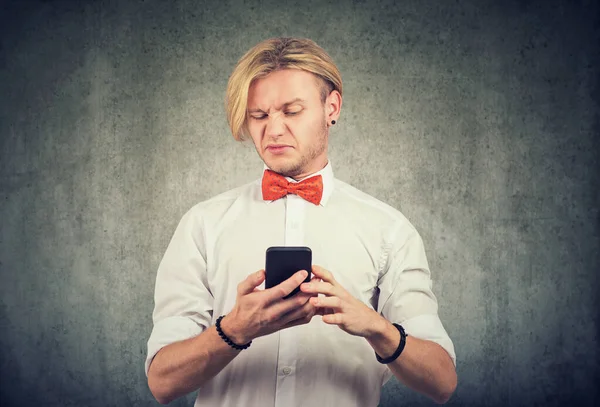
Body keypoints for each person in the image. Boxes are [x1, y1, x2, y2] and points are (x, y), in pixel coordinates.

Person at [145, 37, 457, 406]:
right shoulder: (202, 224)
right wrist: (234, 329)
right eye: (259, 115)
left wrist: (376, 327)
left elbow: (442, 381)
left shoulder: (389, 229)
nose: (273, 130)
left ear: (332, 107)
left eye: (291, 111)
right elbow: (162, 383)